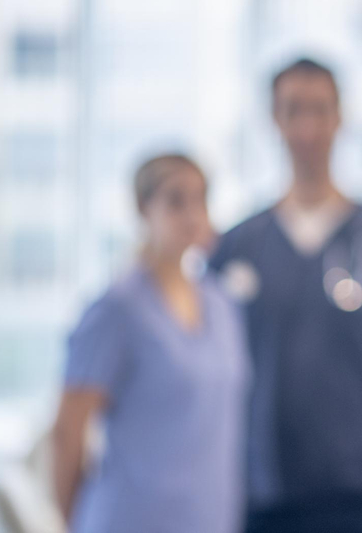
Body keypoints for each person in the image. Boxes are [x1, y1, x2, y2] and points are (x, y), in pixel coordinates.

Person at [208, 57, 362, 533]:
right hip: (264, 495)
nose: (307, 127)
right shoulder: (236, 248)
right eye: (293, 110)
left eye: (319, 110)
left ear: (340, 118)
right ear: (274, 119)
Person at [52, 154, 250, 533]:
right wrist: (72, 522)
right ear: (143, 208)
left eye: (200, 199)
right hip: (132, 518)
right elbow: (67, 433)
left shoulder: (221, 304)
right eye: (176, 201)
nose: (192, 214)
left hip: (209, 518)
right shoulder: (117, 309)